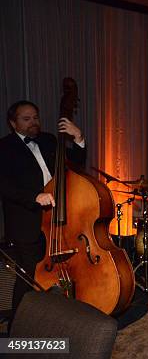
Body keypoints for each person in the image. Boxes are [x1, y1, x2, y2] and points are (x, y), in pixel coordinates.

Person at [0, 99, 86, 314]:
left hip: (58, 217)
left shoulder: (49, 140)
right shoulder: (4, 147)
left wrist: (78, 138)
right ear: (13, 123)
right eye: (26, 119)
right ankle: (18, 327)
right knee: (28, 278)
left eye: (35, 118)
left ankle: (59, 315)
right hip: (26, 222)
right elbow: (4, 186)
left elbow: (75, 166)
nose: (33, 122)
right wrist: (34, 196)